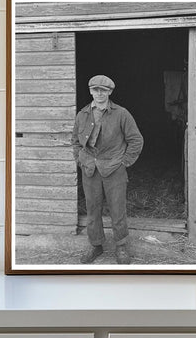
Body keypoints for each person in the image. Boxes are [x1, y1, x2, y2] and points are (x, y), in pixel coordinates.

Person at [72, 75, 144, 264]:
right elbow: (75, 142)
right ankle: (96, 245)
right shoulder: (83, 114)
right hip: (90, 169)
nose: (99, 93)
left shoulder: (121, 114)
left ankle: (121, 246)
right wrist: (81, 159)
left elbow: (136, 140)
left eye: (103, 90)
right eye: (96, 90)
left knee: (117, 209)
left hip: (114, 169)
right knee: (92, 209)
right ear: (90, 91)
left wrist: (124, 162)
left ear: (110, 92)